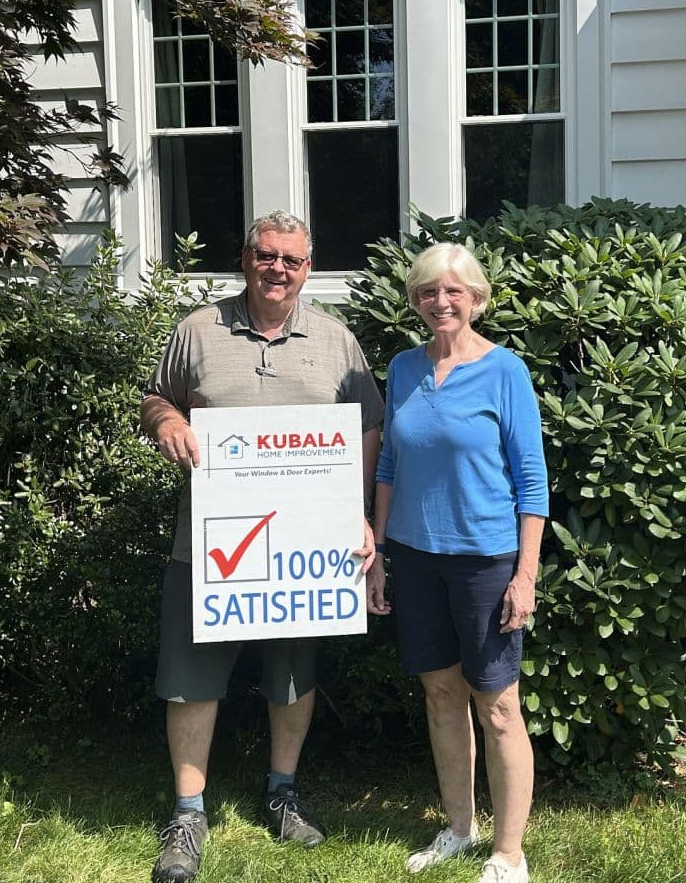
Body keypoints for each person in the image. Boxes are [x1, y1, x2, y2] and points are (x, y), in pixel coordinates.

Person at [141, 210, 383, 883]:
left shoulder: (336, 341)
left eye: (292, 260)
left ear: (309, 268)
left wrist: (356, 513)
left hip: (304, 549)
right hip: (211, 542)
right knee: (191, 682)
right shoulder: (198, 329)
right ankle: (188, 814)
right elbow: (156, 398)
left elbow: (369, 426)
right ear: (245, 258)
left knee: (292, 676)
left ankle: (282, 793)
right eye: (266, 256)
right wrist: (165, 423)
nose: (278, 269)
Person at [366, 242, 548, 883]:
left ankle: (509, 854)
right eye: (426, 291)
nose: (440, 302)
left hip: (486, 561)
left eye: (453, 291)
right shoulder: (404, 368)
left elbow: (532, 480)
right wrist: (381, 553)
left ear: (475, 298)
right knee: (441, 695)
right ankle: (459, 829)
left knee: (497, 706)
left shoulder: (506, 372)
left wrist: (525, 574)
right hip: (415, 558)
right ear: (414, 300)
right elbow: (389, 465)